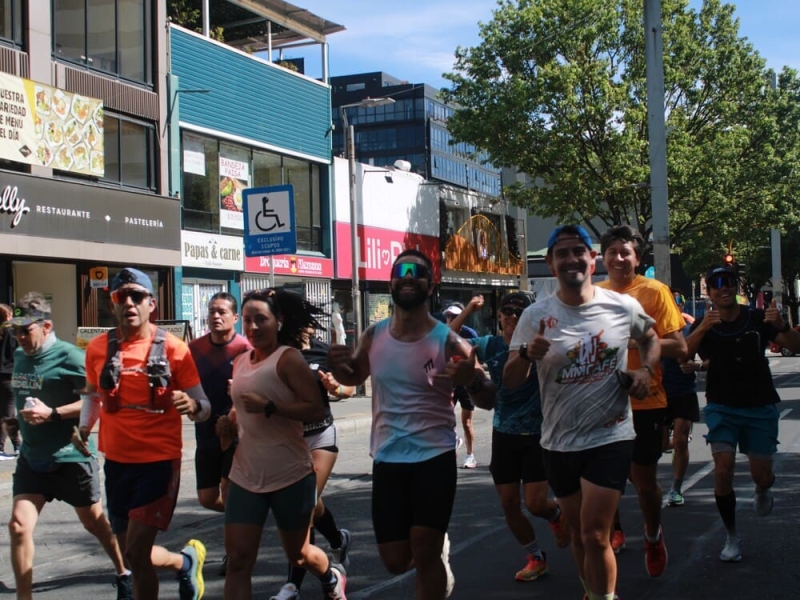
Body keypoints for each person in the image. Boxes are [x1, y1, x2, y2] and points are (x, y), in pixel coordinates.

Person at [328, 249, 496, 599]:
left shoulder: (449, 341)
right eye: (400, 271)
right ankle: (436, 552)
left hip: (433, 459)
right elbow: (353, 377)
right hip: (388, 459)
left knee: (424, 552)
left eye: (416, 272)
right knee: (394, 560)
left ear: (430, 284)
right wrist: (337, 374)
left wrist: (472, 380)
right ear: (390, 282)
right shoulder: (374, 335)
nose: (407, 276)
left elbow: (488, 398)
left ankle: (433, 555)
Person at [504, 225, 660, 600]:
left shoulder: (621, 306)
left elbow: (651, 338)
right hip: (558, 441)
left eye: (579, 252)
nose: (572, 259)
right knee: (577, 533)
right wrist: (526, 354)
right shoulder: (536, 316)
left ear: (593, 260)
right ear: (551, 264)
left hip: (611, 435)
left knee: (595, 533)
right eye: (563, 253)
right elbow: (510, 379)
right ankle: (591, 591)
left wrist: (646, 371)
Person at [74, 268, 212, 600]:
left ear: (152, 304)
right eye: (122, 297)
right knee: (132, 555)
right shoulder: (97, 348)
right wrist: (83, 429)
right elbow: (92, 396)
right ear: (113, 304)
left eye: (138, 297)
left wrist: (191, 406)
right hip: (117, 462)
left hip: (159, 464)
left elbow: (205, 405)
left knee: (135, 551)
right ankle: (184, 562)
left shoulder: (175, 349)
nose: (130, 303)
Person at [7, 292, 131, 600]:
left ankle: (124, 571)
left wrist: (52, 413)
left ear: (46, 327)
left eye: (27, 330)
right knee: (19, 526)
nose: (21, 337)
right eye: (16, 331)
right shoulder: (21, 356)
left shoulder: (71, 357)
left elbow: (97, 398)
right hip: (32, 459)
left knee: (95, 524)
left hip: (70, 458)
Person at [225, 288, 346, 600]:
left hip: (291, 473)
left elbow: (315, 409)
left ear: (278, 321)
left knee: (299, 553)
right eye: (248, 320)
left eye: (261, 319)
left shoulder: (289, 359)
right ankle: (295, 584)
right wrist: (226, 424)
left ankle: (331, 575)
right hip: (246, 474)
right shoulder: (239, 363)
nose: (253, 327)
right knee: (238, 560)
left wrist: (270, 407)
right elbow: (240, 410)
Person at [685, 265, 800, 562]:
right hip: (721, 407)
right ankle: (731, 535)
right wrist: (702, 328)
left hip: (760, 406)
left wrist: (784, 327)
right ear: (708, 292)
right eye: (716, 284)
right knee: (723, 471)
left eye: (729, 282)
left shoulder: (759, 319)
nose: (723, 288)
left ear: (736, 287)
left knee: (761, 475)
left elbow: (795, 346)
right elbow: (683, 354)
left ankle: (763, 489)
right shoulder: (704, 324)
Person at [456, 291, 571, 583]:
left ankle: (556, 514)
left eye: (519, 311)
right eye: (506, 310)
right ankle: (535, 556)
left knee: (534, 504)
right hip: (503, 432)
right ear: (498, 316)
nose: (511, 315)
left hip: (537, 433)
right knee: (508, 504)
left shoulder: (540, 347)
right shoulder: (488, 345)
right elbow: (446, 339)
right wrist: (469, 310)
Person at [596, 225, 686, 577]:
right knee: (603, 479)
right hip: (601, 401)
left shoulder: (654, 291)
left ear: (637, 257)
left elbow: (679, 346)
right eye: (612, 252)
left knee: (643, 481)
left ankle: (652, 534)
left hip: (646, 400)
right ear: (602, 257)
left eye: (625, 252)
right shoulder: (594, 294)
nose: (619, 259)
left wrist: (632, 344)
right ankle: (613, 532)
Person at [270, 326, 356, 600]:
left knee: (303, 506)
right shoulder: (277, 354)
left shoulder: (322, 350)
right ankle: (338, 540)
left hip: (320, 435)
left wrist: (336, 387)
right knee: (312, 504)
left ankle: (292, 586)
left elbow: (349, 389)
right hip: (290, 441)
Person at [189, 292, 251, 575]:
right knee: (207, 497)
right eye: (212, 311)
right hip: (204, 431)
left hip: (237, 432)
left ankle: (234, 556)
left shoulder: (246, 349)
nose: (215, 316)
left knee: (229, 491)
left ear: (235, 318)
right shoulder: (194, 348)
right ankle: (249, 517)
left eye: (222, 312)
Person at [661, 291, 700, 507]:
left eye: (678, 302)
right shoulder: (654, 328)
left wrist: (696, 366)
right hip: (660, 394)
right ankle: (670, 444)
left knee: (681, 440)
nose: (675, 306)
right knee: (659, 444)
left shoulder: (689, 329)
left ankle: (676, 488)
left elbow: (695, 357)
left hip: (684, 390)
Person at [444, 302, 479, 469]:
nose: (450, 319)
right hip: (449, 381)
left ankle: (470, 455)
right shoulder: (441, 333)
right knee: (445, 417)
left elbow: (476, 357)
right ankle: (454, 440)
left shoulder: (469, 333)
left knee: (467, 422)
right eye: (448, 316)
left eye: (454, 316)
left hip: (466, 382)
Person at [1, 303, 21, 458]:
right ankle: (15, 446)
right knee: (8, 414)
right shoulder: (12, 332)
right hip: (9, 375)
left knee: (4, 412)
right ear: (8, 316)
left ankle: (13, 446)